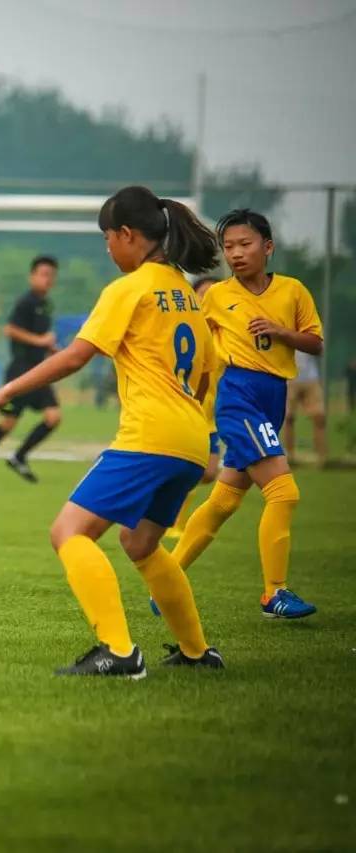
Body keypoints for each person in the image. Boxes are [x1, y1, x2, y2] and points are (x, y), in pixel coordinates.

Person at [0, 185, 225, 677]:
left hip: (150, 437)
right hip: (191, 440)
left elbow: (75, 357)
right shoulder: (188, 296)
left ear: (127, 234)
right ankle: (197, 652)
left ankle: (120, 652)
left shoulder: (129, 289)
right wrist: (196, 429)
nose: (107, 249)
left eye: (107, 238)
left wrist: (3, 392)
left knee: (68, 532)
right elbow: (207, 374)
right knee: (141, 544)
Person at [171, 209, 324, 619]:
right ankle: (274, 593)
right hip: (239, 396)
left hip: (274, 396)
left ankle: (167, 577)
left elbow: (315, 343)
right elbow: (192, 344)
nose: (236, 253)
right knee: (284, 492)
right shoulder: (216, 296)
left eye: (245, 244)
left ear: (267, 247)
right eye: (229, 247)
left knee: (223, 500)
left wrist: (280, 331)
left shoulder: (293, 291)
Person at [0, 256, 61, 483]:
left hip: (39, 371)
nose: (48, 279)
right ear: (32, 276)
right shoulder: (26, 302)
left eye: (51, 275)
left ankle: (19, 457)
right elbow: (10, 330)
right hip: (20, 371)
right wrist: (40, 341)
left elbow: (40, 337)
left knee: (53, 417)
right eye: (43, 274)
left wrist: (50, 348)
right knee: (8, 422)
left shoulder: (46, 304)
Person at [164, 276, 223, 541]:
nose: (207, 299)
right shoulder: (184, 330)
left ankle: (162, 500)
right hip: (185, 412)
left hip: (209, 417)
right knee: (190, 469)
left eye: (214, 294)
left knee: (209, 473)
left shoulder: (224, 333)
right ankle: (171, 523)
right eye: (203, 293)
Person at [283, 349, 327, 466]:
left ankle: (322, 458)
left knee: (319, 417)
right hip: (289, 377)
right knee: (288, 418)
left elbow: (320, 348)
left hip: (311, 378)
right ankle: (290, 457)